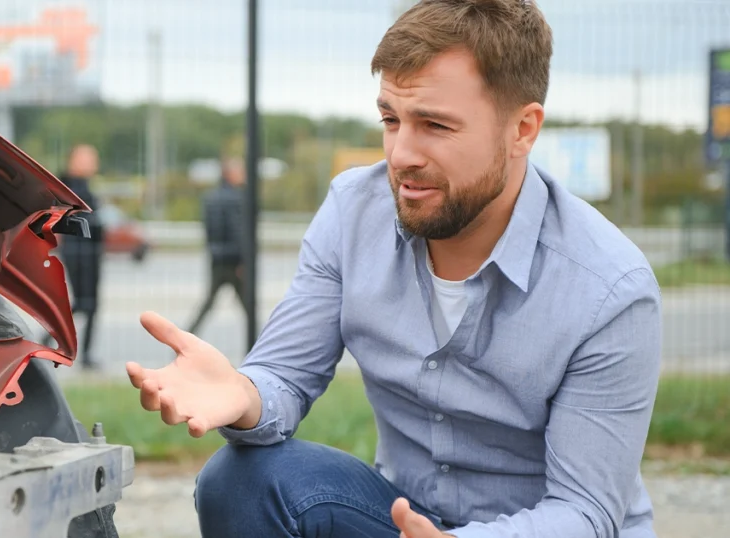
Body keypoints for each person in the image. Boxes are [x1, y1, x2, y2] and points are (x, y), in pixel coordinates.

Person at [125, 1, 663, 537]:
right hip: (404, 520)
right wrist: (244, 395)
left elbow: (585, 512)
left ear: (522, 129)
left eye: (435, 125)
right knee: (239, 480)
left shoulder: (609, 289)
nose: (401, 154)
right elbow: (284, 375)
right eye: (390, 119)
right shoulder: (353, 211)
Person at [186, 157, 247, 335]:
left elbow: (209, 229)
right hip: (234, 259)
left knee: (208, 303)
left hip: (217, 257)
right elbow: (238, 231)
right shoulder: (237, 199)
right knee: (248, 305)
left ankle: (187, 337)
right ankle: (261, 346)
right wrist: (243, 260)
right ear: (230, 175)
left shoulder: (210, 198)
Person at [58, 144, 105, 370]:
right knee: (83, 303)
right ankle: (55, 341)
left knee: (90, 304)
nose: (93, 163)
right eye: (87, 158)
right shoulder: (66, 187)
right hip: (78, 253)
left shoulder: (86, 188)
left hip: (91, 253)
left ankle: (84, 353)